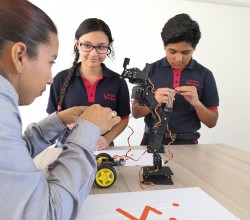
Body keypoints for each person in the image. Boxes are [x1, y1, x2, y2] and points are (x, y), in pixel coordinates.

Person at [0, 1, 120, 220]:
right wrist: (88, 131)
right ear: (19, 55)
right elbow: (48, 213)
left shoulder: (117, 81)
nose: (49, 78)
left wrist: (58, 121)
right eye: (50, 61)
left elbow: (11, 162)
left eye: (101, 47)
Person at [132, 13, 219, 145]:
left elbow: (212, 122)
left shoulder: (205, 75)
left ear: (194, 48)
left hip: (188, 143)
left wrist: (197, 103)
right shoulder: (149, 71)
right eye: (172, 52)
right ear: (164, 46)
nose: (179, 59)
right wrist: (154, 101)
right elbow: (136, 112)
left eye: (185, 52)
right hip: (152, 140)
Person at [47, 18, 130, 150]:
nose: (93, 53)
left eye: (101, 47)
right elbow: (51, 119)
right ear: (77, 43)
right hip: (66, 146)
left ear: (109, 45)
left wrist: (107, 139)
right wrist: (69, 124)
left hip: (101, 146)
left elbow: (124, 119)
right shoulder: (60, 79)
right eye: (87, 45)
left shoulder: (118, 82)